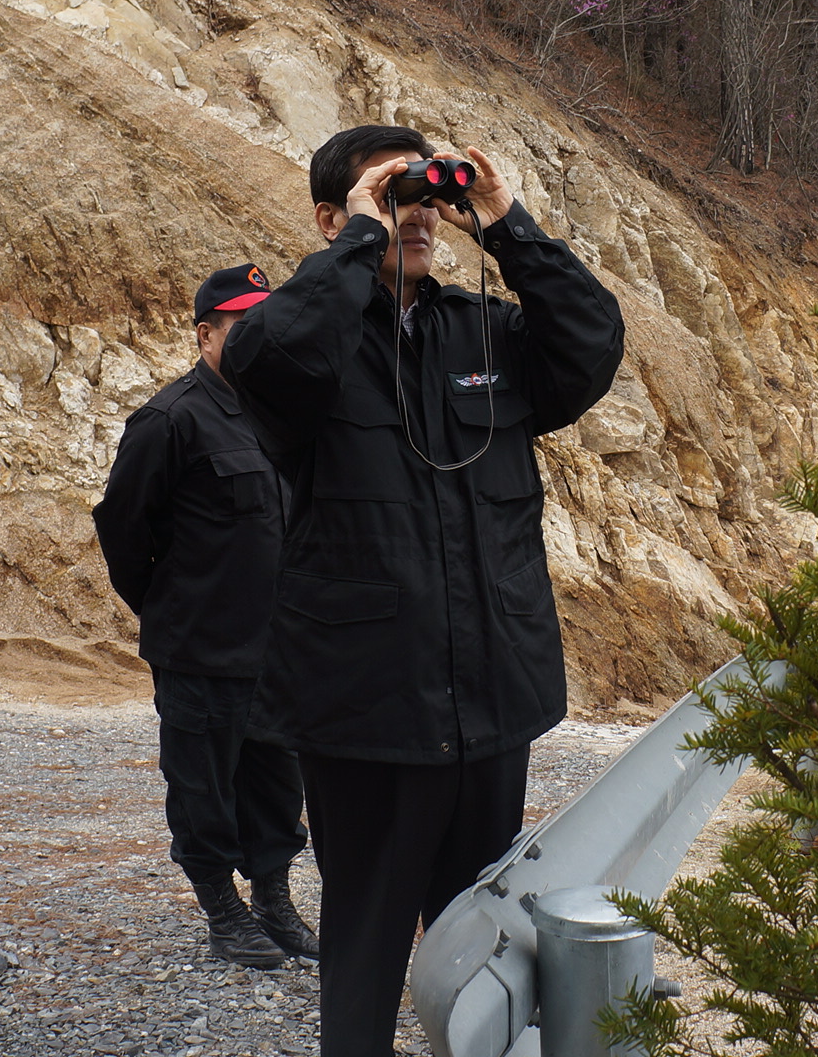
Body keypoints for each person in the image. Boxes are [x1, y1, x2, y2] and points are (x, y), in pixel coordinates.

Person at [222, 125, 625, 1057]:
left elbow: (593, 344)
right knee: (365, 934)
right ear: (334, 218)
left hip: (492, 686)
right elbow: (268, 361)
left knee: (479, 934)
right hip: (366, 699)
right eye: (388, 198)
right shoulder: (313, 340)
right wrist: (357, 244)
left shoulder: (481, 331)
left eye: (423, 198)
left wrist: (503, 219)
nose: (416, 216)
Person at [92, 263, 320, 971]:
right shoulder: (170, 419)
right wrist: (173, 608)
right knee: (203, 786)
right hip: (200, 647)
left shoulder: (278, 416)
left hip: (273, 649)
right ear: (205, 334)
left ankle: (274, 901)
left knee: (276, 783)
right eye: (243, 327)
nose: (260, 341)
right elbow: (124, 529)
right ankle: (223, 909)